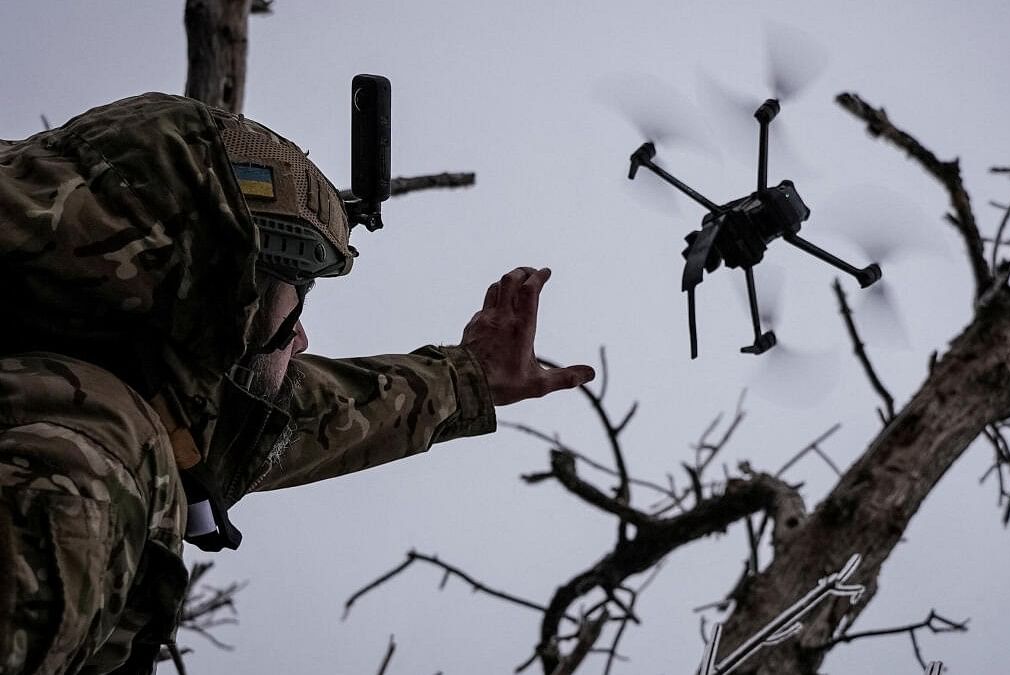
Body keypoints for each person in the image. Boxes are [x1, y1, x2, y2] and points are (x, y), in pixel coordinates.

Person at [0, 92, 594, 674]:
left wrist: (466, 380)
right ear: (224, 298)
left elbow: (286, 412)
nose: (302, 338)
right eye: (295, 297)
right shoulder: (82, 458)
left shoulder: (72, 369)